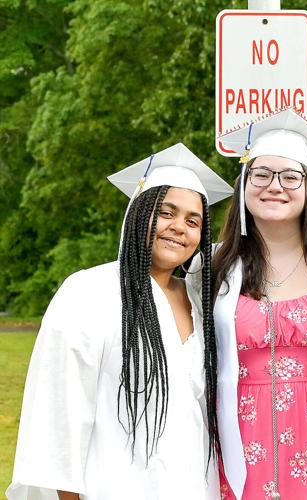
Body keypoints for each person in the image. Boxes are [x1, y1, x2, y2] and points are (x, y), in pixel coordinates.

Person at [6, 143, 233, 500]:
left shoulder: (200, 302)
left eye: (193, 221)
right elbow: (59, 414)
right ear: (138, 214)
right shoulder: (89, 292)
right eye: (166, 213)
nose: (179, 228)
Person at [204, 107, 307, 500]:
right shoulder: (212, 266)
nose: (275, 186)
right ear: (243, 184)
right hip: (240, 438)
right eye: (261, 174)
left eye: (290, 176)